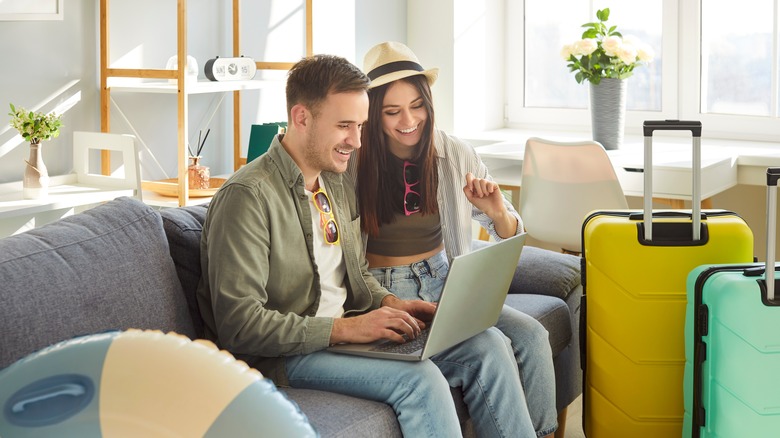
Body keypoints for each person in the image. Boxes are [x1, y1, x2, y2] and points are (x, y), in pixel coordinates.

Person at [197, 53, 538, 437]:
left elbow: (356, 273)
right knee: (421, 380)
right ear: (301, 118)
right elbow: (239, 326)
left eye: (360, 126)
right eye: (345, 126)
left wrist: (391, 303)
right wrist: (348, 329)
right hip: (287, 356)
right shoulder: (248, 196)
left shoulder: (335, 181)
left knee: (487, 347)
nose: (357, 141)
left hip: (343, 335)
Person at [349, 41, 558, 438]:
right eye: (392, 111)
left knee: (532, 336)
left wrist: (497, 211)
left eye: (417, 106)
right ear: (373, 113)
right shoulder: (355, 162)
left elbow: (508, 227)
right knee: (489, 348)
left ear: (429, 102)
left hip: (447, 280)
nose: (408, 120)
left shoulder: (453, 152)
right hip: (387, 288)